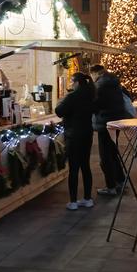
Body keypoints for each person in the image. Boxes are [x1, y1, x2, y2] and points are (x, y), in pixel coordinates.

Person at [54, 72, 95, 211]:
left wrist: (63, 100)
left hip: (73, 135)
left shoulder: (72, 96)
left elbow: (59, 111)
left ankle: (73, 201)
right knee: (85, 166)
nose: (71, 84)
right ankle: (88, 198)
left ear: (77, 83)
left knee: (74, 168)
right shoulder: (91, 95)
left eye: (72, 82)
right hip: (87, 133)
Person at [89, 64, 127, 195]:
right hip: (115, 121)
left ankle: (111, 186)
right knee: (112, 152)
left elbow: (96, 105)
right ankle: (120, 180)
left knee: (105, 156)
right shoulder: (114, 82)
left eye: (92, 75)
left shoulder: (101, 86)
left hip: (104, 123)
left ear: (96, 73)